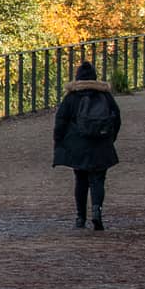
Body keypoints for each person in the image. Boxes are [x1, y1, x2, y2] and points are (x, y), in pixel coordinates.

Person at [53, 61, 121, 231]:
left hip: (78, 144)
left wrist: (59, 141)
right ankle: (97, 210)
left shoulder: (71, 97)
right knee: (98, 179)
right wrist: (110, 138)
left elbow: (60, 121)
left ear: (77, 77)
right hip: (101, 143)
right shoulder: (105, 96)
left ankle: (80, 217)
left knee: (81, 180)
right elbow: (117, 118)